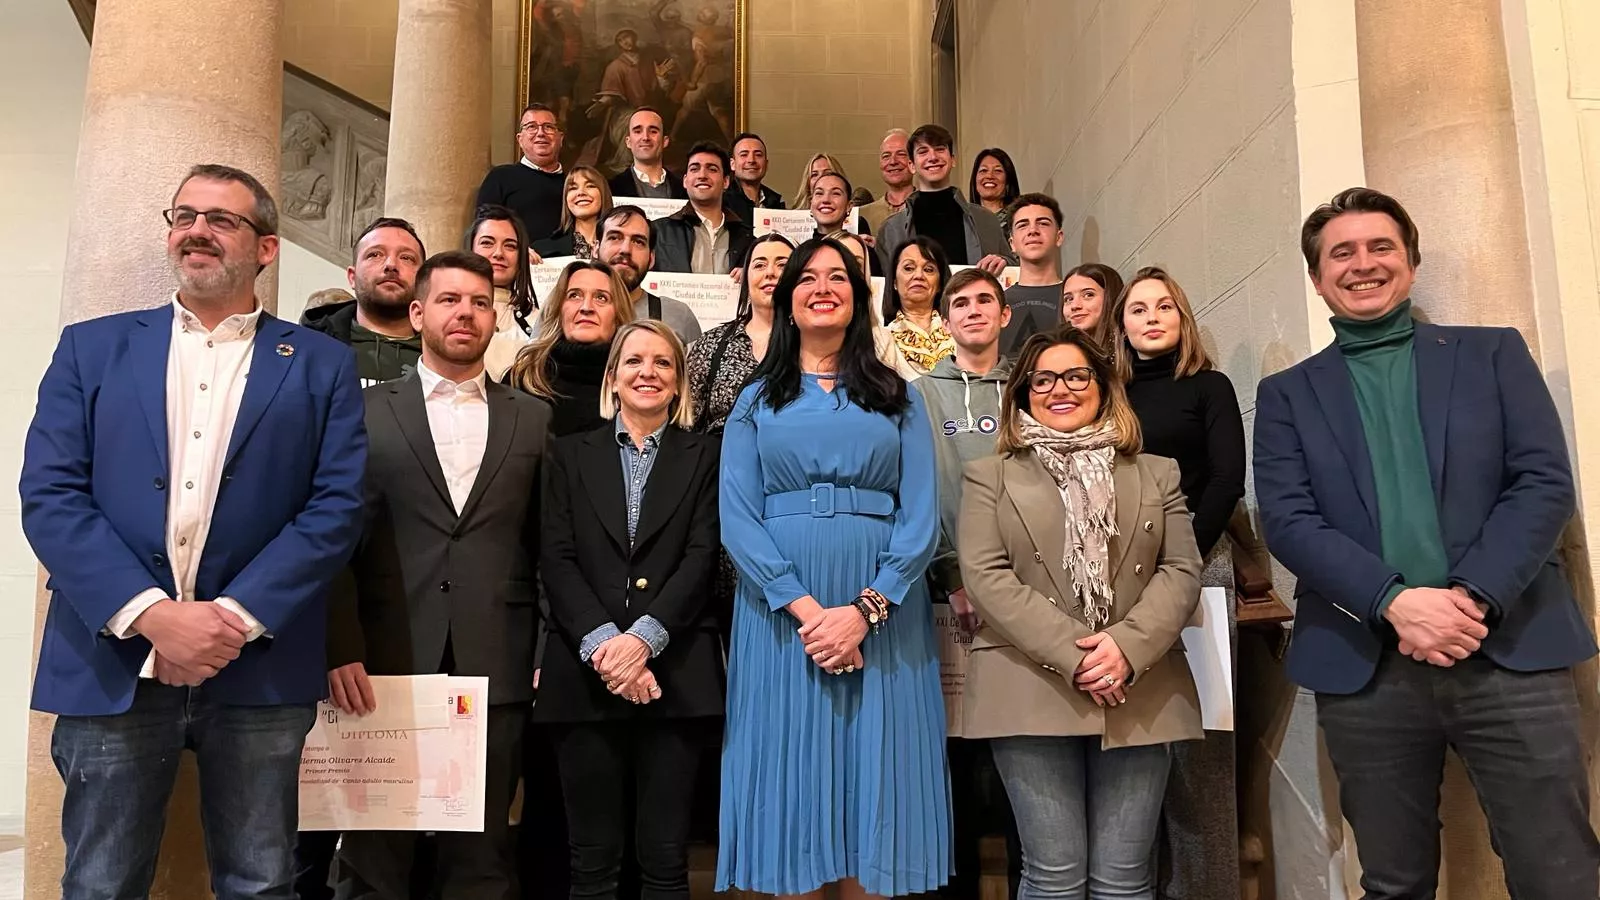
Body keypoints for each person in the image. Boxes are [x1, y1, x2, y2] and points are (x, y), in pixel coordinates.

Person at [21, 163, 367, 899]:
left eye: (221, 219)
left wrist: (229, 621)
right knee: (100, 884)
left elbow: (336, 507)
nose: (197, 231)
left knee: (260, 882)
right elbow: (50, 495)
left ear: (266, 248)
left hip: (260, 665)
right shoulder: (92, 348)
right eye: (184, 216)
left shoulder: (321, 364)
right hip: (112, 658)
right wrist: (153, 617)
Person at [1254, 187, 1600, 899]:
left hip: (1510, 648)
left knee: (1560, 873)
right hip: (1367, 667)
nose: (1363, 263)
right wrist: (1394, 601)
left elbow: (1542, 483)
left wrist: (1469, 599)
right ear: (1317, 277)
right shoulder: (1287, 394)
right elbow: (1289, 520)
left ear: (1411, 263)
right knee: (1394, 882)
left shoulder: (1493, 354)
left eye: (1381, 246)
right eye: (1341, 253)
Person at [716, 237, 951, 898]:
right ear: (787, 298)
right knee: (790, 778)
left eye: (839, 277)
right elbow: (737, 518)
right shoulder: (754, 400)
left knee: (879, 783)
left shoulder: (901, 397)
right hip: (783, 617)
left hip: (885, 615)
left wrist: (866, 610)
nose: (823, 288)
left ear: (859, 297)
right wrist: (809, 611)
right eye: (808, 278)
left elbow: (922, 516)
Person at [327, 250, 552, 900]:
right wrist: (340, 647)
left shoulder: (532, 417)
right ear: (418, 312)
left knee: (481, 859)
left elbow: (548, 545)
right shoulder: (364, 411)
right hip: (382, 665)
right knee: (373, 860)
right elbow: (335, 542)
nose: (466, 313)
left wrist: (543, 651)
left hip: (497, 661)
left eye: (481, 303)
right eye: (450, 300)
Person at [958, 324, 1204, 899]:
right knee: (1054, 877)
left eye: (1075, 375)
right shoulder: (988, 475)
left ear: (1103, 385)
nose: (1059, 389)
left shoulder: (1157, 471)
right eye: (1042, 380)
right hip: (1028, 682)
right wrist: (1081, 656)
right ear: (1023, 393)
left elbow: (1181, 569)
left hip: (1138, 682)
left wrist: (1127, 648)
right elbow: (987, 576)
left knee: (1124, 881)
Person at [538, 319, 724, 900]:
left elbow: (702, 558)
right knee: (591, 862)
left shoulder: (708, 456)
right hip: (583, 675)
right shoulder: (567, 453)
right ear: (613, 378)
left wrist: (642, 641)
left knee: (666, 860)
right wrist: (606, 648)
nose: (648, 372)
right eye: (635, 361)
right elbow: (555, 558)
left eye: (663, 362)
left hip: (677, 673)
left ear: (680, 382)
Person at [1113, 265, 1246, 900]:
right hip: (1121, 576)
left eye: (1164, 306)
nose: (1152, 317)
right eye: (1138, 309)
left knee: (1202, 750)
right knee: (1134, 748)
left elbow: (1226, 478)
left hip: (1199, 564)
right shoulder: (1108, 395)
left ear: (1183, 317)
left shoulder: (1209, 386)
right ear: (1121, 326)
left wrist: (1180, 555)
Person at [911, 267, 1023, 898]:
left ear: (1004, 315)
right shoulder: (919, 395)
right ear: (945, 320)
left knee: (1019, 754)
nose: (974, 310)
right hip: (944, 595)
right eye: (961, 303)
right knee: (953, 756)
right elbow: (924, 489)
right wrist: (954, 574)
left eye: (985, 301)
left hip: (1024, 594)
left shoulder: (1028, 388)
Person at [508, 259, 637, 437]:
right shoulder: (523, 378)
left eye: (601, 298)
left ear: (618, 314)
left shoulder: (638, 382)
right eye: (574, 295)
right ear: (559, 309)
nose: (586, 307)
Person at [686, 234, 793, 434]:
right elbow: (686, 421)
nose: (770, 272)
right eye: (759, 265)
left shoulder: (812, 343)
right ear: (746, 277)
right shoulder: (713, 343)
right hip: (719, 451)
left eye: (782, 265)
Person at [302, 217, 426, 388]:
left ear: (424, 281)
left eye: (406, 257)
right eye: (375, 254)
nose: (391, 264)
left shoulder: (445, 357)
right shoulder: (308, 349)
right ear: (352, 277)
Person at [878, 124, 1011, 274]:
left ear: (952, 160)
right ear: (912, 165)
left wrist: (1004, 261)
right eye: (923, 151)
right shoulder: (891, 230)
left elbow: (1015, 269)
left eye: (940, 149)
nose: (933, 157)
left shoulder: (986, 220)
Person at [597, 205, 705, 342]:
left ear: (652, 258)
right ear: (595, 249)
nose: (625, 249)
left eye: (638, 242)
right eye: (614, 238)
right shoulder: (575, 311)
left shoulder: (680, 317)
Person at [651, 141, 752, 276]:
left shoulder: (747, 239)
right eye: (694, 169)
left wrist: (751, 274)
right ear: (685, 181)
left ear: (726, 181)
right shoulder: (658, 233)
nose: (702, 175)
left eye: (712, 169)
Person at [466, 205, 539, 381]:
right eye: (487, 243)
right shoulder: (447, 312)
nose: (499, 253)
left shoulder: (539, 322)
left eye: (510, 246)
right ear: (470, 249)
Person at [476, 103, 567, 245]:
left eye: (548, 127)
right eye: (531, 127)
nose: (541, 133)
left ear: (560, 138)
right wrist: (520, 251)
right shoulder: (501, 177)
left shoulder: (575, 184)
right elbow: (485, 231)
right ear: (520, 139)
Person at [999, 193, 1066, 357]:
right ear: (1012, 244)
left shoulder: (1075, 298)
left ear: (1058, 237)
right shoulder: (997, 303)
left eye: (1043, 223)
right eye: (1022, 225)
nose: (1033, 231)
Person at [882, 236, 955, 374]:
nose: (919, 275)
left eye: (928, 269)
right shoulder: (882, 339)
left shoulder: (959, 330)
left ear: (940, 284)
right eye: (909, 268)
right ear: (894, 282)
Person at [531, 165, 614, 261]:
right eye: (573, 188)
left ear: (603, 194)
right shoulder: (540, 250)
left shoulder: (622, 246)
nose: (581, 192)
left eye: (590, 186)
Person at [607, 107, 687, 200]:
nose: (645, 137)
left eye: (653, 131)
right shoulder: (611, 188)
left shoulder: (684, 189)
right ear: (628, 142)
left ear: (664, 141)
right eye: (638, 131)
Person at [858, 129, 914, 236]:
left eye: (901, 154)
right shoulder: (861, 215)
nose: (893, 161)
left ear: (913, 161)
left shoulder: (930, 209)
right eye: (886, 156)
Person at [723, 131, 784, 225]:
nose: (751, 160)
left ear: (766, 164)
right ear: (732, 164)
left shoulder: (776, 204)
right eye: (744, 155)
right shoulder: (722, 204)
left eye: (758, 155)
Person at [1061, 262, 1123, 349]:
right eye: (1069, 299)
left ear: (1111, 297)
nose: (1074, 306)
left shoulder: (1133, 351)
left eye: (1088, 295)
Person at [970, 148, 1020, 219]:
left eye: (997, 171)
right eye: (984, 170)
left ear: (1008, 180)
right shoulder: (964, 219)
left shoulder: (1019, 217)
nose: (989, 176)